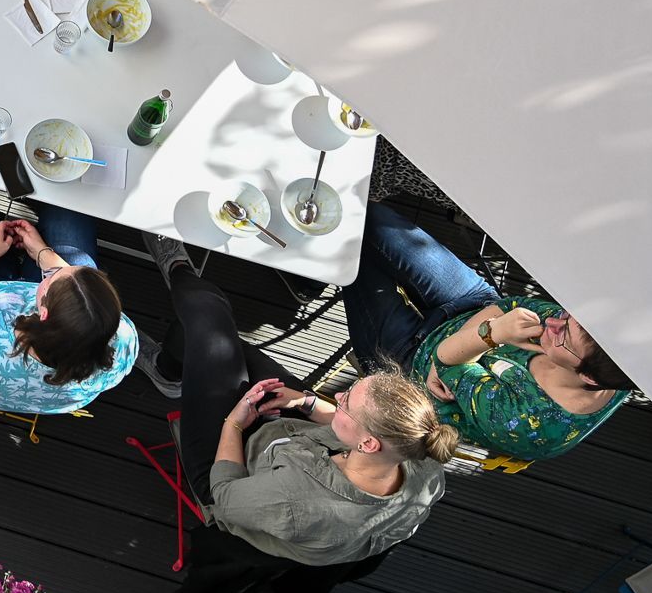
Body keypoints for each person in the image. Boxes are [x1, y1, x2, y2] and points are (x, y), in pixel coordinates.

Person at [137, 235, 456, 567]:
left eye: (346, 403)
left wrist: (233, 425)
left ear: (369, 444)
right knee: (205, 338)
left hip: (231, 477)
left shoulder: (297, 501)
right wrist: (306, 403)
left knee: (207, 320)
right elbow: (353, 426)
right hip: (288, 437)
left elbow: (226, 498)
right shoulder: (422, 454)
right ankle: (170, 365)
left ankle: (178, 274)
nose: (337, 396)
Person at [343, 200, 633, 462]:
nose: (553, 322)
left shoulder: (527, 421)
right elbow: (510, 306)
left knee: (349, 253)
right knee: (370, 218)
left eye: (563, 336)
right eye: (569, 315)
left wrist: (494, 333)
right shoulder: (615, 353)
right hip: (473, 308)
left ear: (588, 377)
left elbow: (445, 359)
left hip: (411, 366)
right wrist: (464, 347)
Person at [0, 185, 137, 414]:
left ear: (44, 313)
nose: (56, 268)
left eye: (53, 276)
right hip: (43, 396)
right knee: (70, 207)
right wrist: (42, 252)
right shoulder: (121, 340)